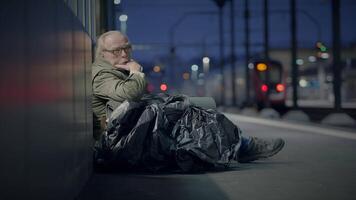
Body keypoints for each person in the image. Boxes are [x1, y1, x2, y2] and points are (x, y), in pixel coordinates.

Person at [92, 31, 285, 171]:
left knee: (196, 112)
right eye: (117, 51)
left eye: (127, 48)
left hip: (134, 131)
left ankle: (241, 145)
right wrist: (135, 73)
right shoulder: (101, 74)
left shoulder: (114, 70)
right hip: (121, 141)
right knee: (192, 115)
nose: (125, 54)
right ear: (102, 54)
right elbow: (129, 95)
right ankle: (243, 146)